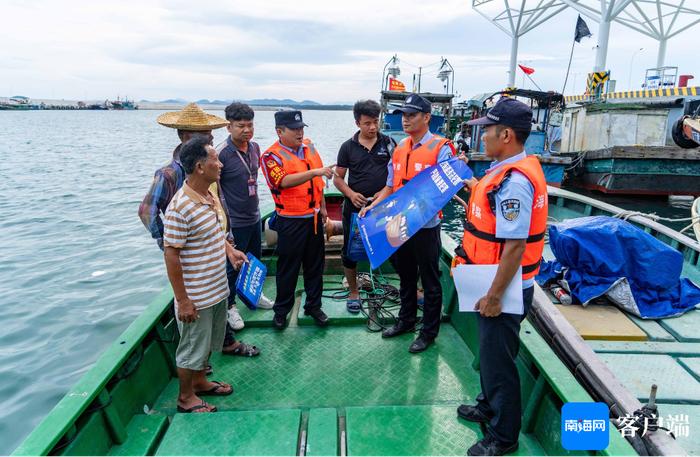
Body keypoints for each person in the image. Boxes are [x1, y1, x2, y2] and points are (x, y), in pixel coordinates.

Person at [453, 97, 548, 456]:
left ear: (505, 134)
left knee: (499, 362)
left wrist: (494, 296)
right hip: (489, 280)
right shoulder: (505, 171)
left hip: (502, 289)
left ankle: (503, 436)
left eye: (487, 132)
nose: (483, 139)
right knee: (490, 355)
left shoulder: (516, 183)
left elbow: (514, 246)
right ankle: (487, 406)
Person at [139, 103, 259, 362]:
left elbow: (217, 204)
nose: (212, 139)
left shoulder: (211, 169)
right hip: (192, 257)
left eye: (211, 134)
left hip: (216, 246)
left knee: (220, 294)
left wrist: (226, 242)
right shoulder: (170, 174)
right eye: (205, 136)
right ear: (185, 137)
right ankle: (197, 371)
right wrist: (169, 243)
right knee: (195, 306)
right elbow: (147, 212)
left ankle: (224, 342)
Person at [359, 94, 455, 353]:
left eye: (411, 115)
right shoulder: (400, 147)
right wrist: (373, 206)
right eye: (403, 114)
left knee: (430, 281)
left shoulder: (441, 147)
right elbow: (391, 186)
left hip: (424, 227)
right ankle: (406, 320)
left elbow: (446, 188)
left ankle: (428, 332)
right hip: (399, 224)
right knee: (405, 276)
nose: (405, 119)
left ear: (427, 118)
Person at [163, 136, 249, 413]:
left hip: (217, 288)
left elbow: (212, 233)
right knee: (191, 349)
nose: (220, 163)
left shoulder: (208, 195)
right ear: (200, 167)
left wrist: (229, 251)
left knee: (206, 345)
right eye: (215, 159)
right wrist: (183, 300)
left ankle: (199, 382)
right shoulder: (180, 207)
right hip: (197, 296)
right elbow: (171, 254)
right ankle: (186, 398)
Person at [261, 110, 335, 329]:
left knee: (315, 266)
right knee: (288, 268)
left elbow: (318, 184)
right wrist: (315, 173)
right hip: (290, 221)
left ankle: (314, 306)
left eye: (301, 128)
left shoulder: (309, 146)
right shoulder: (270, 157)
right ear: (279, 131)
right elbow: (282, 182)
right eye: (294, 129)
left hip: (312, 218)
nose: (299, 132)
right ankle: (281, 311)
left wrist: (322, 207)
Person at [216, 102, 274, 338]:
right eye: (241, 126)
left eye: (250, 125)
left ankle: (253, 294)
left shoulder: (255, 148)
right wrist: (223, 226)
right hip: (233, 221)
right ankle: (230, 307)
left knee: (254, 260)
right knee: (232, 267)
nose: (247, 130)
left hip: (253, 215)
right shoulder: (221, 153)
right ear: (229, 126)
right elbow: (215, 191)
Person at [334, 100, 395, 313]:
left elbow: (398, 175)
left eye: (375, 122)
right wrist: (351, 194)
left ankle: (406, 288)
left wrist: (384, 192)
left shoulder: (389, 143)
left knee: (393, 246)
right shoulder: (347, 147)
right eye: (367, 123)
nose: (372, 127)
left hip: (383, 206)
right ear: (357, 122)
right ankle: (353, 291)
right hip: (355, 208)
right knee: (350, 251)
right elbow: (338, 178)